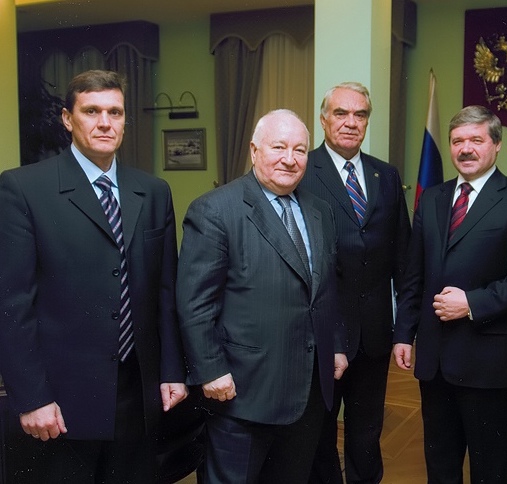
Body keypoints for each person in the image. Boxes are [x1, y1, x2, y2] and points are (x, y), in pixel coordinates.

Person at [0, 69, 188, 483]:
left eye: (115, 112)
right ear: (68, 119)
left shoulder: (153, 192)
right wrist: (32, 397)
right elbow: (12, 305)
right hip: (60, 402)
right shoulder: (24, 189)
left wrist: (172, 371)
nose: (105, 122)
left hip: (138, 394)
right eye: (91, 111)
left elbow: (165, 292)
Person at [176, 109, 349, 484]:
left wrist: (335, 344)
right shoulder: (215, 210)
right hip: (241, 393)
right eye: (279, 147)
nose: (290, 158)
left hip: (307, 393)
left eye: (299, 150)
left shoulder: (320, 211)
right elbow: (194, 303)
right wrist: (210, 370)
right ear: (254, 151)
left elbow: (325, 289)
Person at [393, 105, 507, 484]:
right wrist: (403, 334)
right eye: (457, 141)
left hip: (487, 361)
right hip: (434, 360)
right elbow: (414, 273)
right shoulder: (432, 198)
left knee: (490, 469)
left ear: (496, 144)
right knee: (440, 465)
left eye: (476, 140)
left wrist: (472, 303)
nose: (465, 149)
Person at [300, 81, 411, 484]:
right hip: (321, 333)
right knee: (319, 434)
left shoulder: (386, 174)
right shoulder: (301, 170)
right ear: (323, 119)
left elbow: (404, 258)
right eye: (341, 113)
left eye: (360, 114)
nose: (351, 122)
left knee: (367, 433)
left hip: (375, 334)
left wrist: (405, 331)